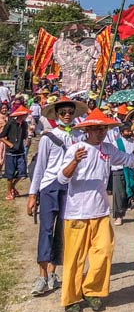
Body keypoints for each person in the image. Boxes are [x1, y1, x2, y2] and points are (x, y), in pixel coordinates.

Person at [57, 108, 134, 312]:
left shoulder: (108, 149)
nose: (101, 132)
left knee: (104, 253)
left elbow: (131, 160)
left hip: (101, 212)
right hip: (77, 213)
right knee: (74, 258)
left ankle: (92, 290)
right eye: (96, 128)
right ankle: (71, 298)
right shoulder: (76, 148)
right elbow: (62, 178)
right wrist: (75, 161)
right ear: (87, 130)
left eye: (103, 128)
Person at [27, 96, 88, 296]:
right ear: (56, 115)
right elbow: (41, 167)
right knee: (46, 230)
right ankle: (42, 275)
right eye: (63, 113)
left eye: (70, 112)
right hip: (49, 187)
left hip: (70, 188)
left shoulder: (80, 136)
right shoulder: (48, 137)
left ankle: (53, 271)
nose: (67, 115)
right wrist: (32, 194)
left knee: (63, 231)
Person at [1, 105, 31, 199]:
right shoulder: (10, 123)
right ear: (20, 115)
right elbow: (1, 136)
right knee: (10, 174)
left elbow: (26, 135)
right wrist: (9, 144)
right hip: (11, 152)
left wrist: (27, 139)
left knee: (22, 172)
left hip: (21, 151)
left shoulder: (25, 124)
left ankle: (13, 187)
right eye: (25, 114)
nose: (26, 116)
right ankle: (9, 192)